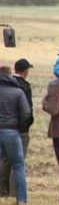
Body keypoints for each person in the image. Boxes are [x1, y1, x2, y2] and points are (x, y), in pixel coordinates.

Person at [0, 59, 33, 197]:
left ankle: (2, 192)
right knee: (18, 164)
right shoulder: (19, 90)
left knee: (2, 161)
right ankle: (20, 197)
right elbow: (26, 113)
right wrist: (22, 128)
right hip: (13, 130)